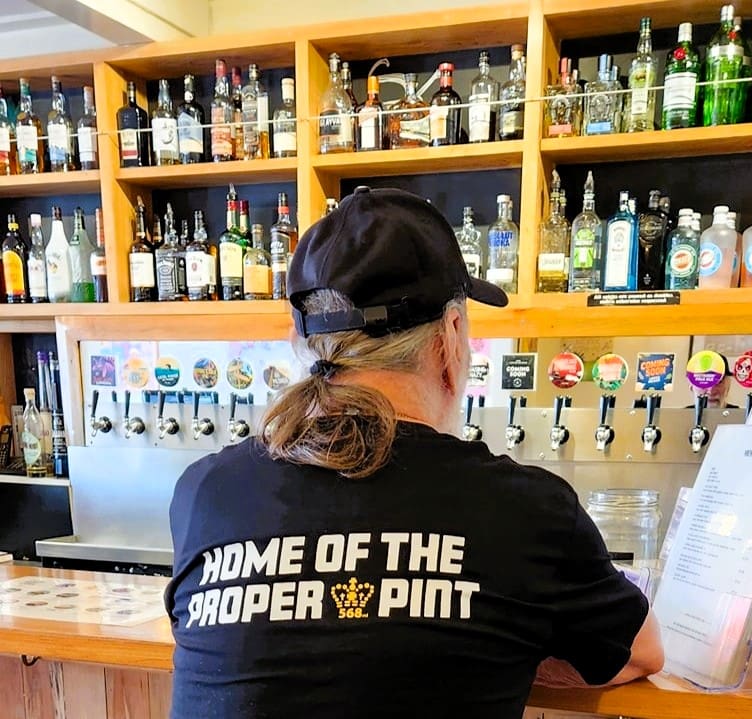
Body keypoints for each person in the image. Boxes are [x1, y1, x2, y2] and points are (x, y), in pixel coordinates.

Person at [165, 187, 663, 718]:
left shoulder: (206, 491)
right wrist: (504, 640)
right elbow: (640, 654)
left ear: (303, 338)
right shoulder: (524, 509)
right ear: (450, 337)